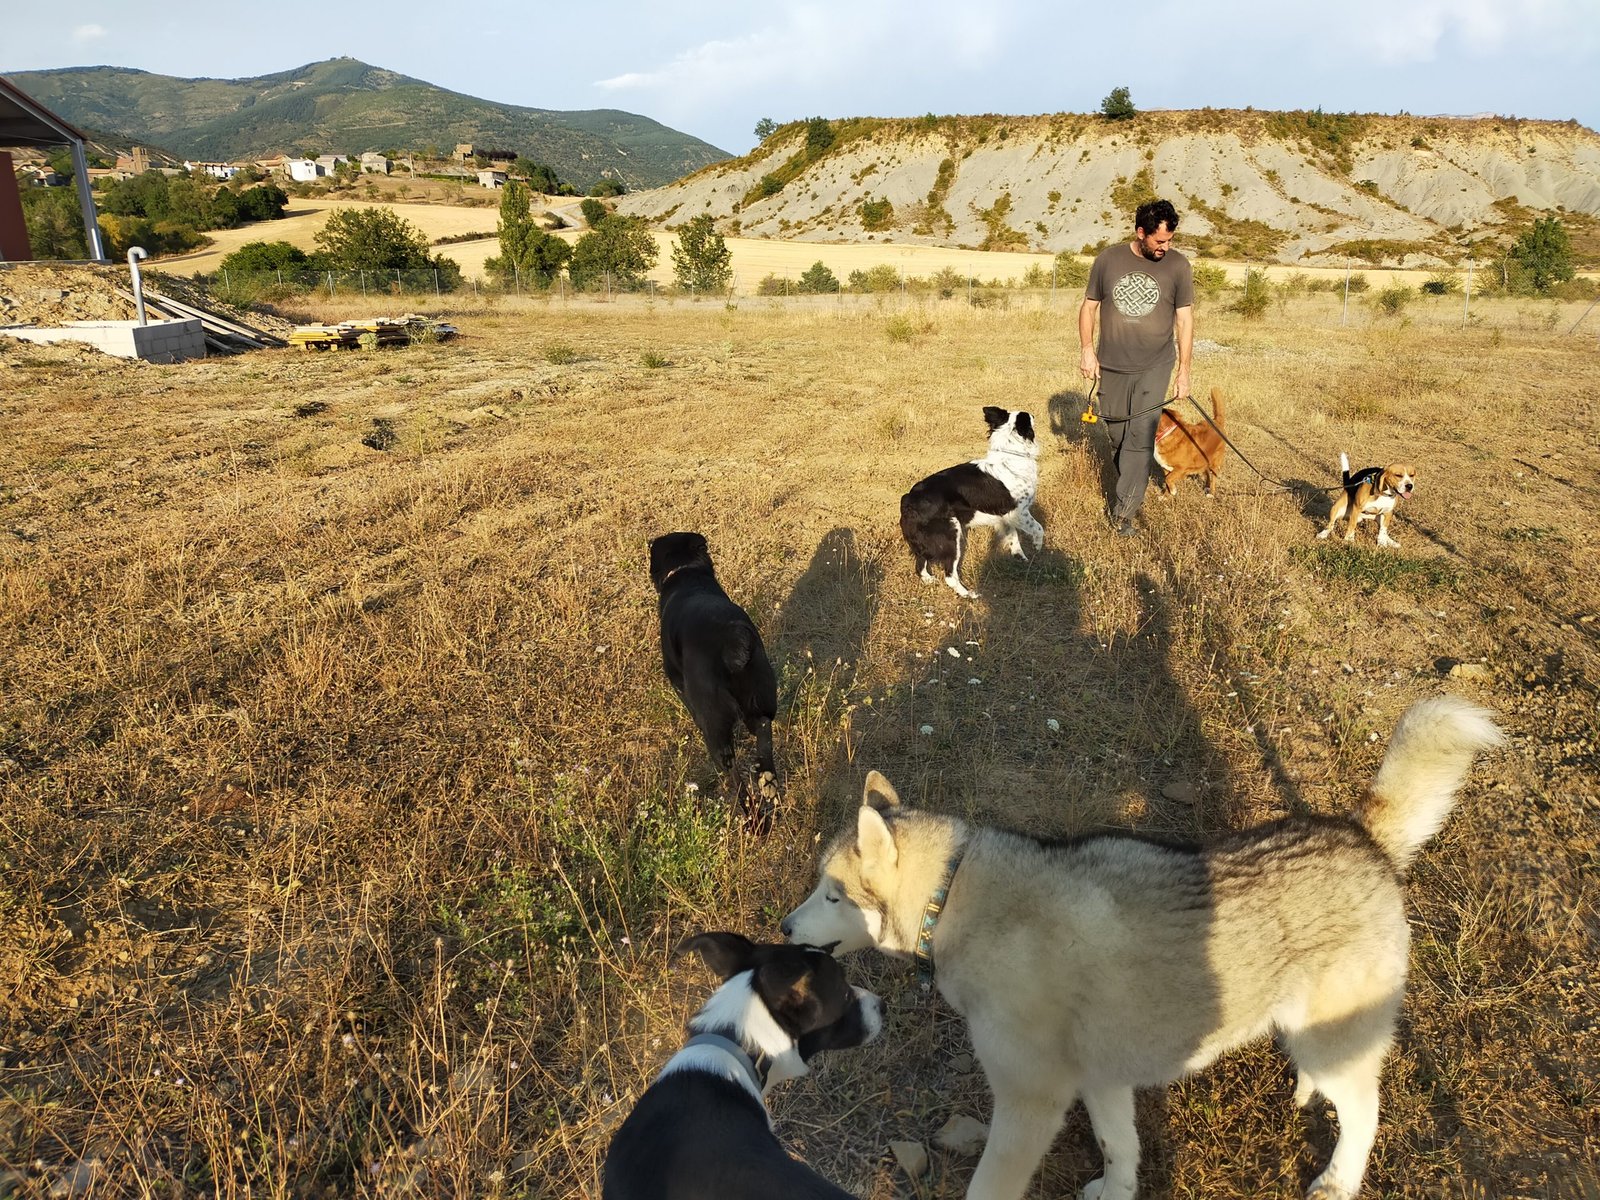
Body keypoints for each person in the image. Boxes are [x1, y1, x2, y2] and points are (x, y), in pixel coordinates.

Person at [1078, 199, 1195, 536]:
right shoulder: (1108, 260)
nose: (1165, 247)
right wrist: (1087, 350)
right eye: (1159, 241)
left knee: (1139, 438)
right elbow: (1088, 308)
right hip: (1112, 365)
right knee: (1117, 434)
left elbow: (1185, 320)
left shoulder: (1178, 266)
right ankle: (1130, 481)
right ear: (1140, 232)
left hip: (1155, 365)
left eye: (1170, 240)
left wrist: (1184, 370)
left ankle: (1124, 513)